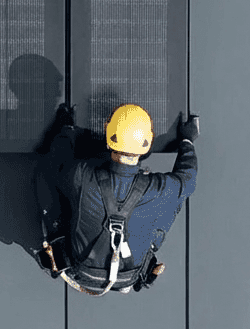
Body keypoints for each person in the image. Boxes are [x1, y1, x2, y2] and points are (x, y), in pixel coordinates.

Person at [35, 102, 199, 295]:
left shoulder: (81, 176)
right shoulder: (159, 190)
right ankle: (152, 244)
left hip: (79, 271)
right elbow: (188, 179)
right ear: (147, 143)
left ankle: (56, 240)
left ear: (109, 134)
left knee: (49, 179)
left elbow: (57, 160)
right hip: (129, 277)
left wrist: (66, 128)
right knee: (173, 201)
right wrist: (187, 140)